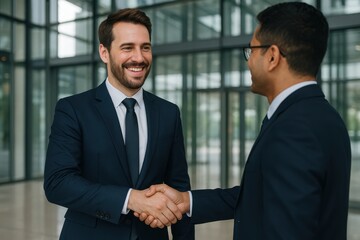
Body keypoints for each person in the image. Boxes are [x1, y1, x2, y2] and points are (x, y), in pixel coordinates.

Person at [138, 2, 352, 240]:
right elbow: (262, 196)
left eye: (251, 51)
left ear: (272, 56)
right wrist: (188, 201)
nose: (248, 61)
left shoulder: (294, 129)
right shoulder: (324, 117)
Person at [43, 8, 194, 240]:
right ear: (104, 52)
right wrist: (131, 199)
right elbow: (58, 183)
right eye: (127, 47)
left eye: (146, 47)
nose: (139, 57)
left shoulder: (168, 113)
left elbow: (180, 189)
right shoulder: (73, 109)